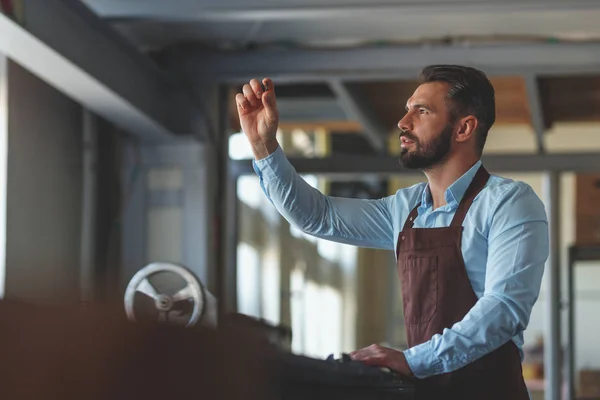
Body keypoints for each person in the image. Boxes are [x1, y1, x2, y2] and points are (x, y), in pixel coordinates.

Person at [235, 65, 549, 399]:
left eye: (421, 111)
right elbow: (318, 216)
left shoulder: (510, 203)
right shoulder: (404, 209)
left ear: (463, 128)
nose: (403, 122)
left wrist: (413, 361)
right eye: (407, 109)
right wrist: (263, 147)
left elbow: (504, 309)